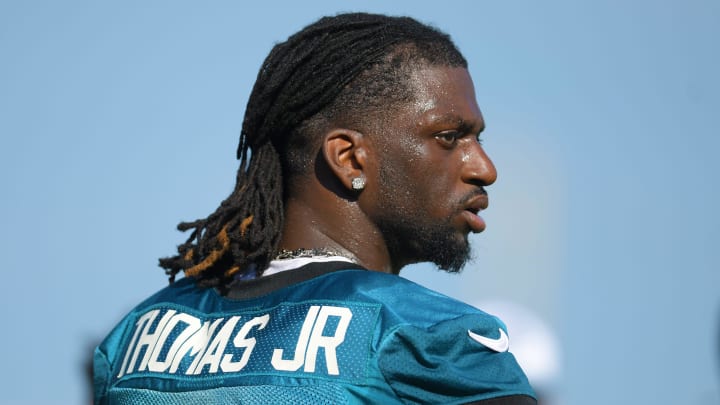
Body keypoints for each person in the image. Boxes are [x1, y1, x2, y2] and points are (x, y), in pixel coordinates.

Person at [93, 12, 536, 404]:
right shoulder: (433, 338)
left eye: (479, 139)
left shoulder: (133, 337)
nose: (484, 168)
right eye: (449, 137)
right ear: (348, 158)